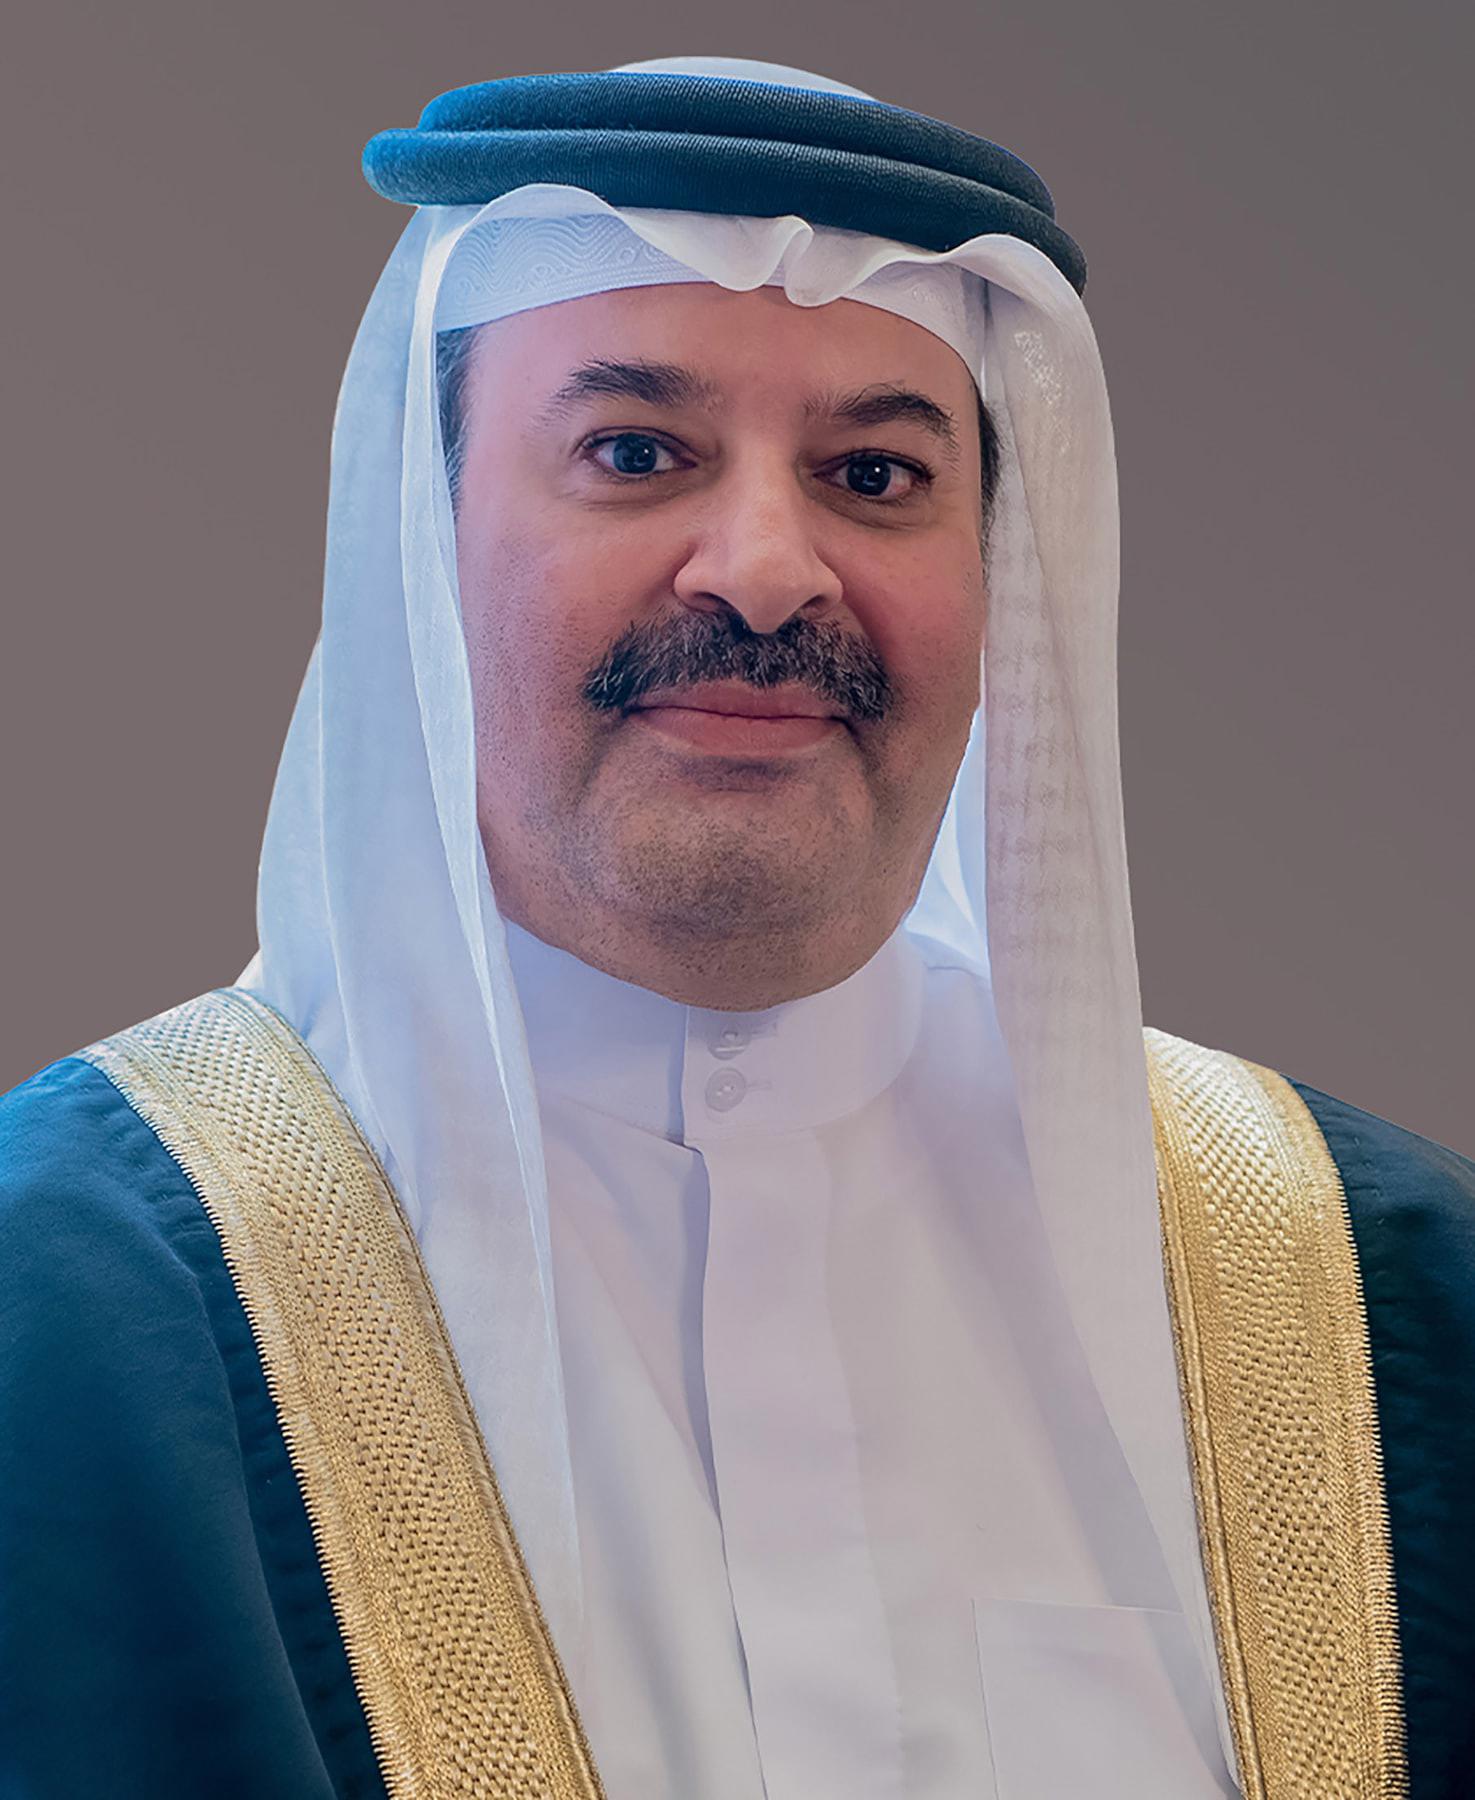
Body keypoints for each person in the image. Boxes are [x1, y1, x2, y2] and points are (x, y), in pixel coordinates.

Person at [1, 52, 1470, 1800]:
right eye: (635, 453)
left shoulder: (1377, 1291)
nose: (767, 568)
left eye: (876, 475)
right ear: (418, 545)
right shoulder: (74, 1304)